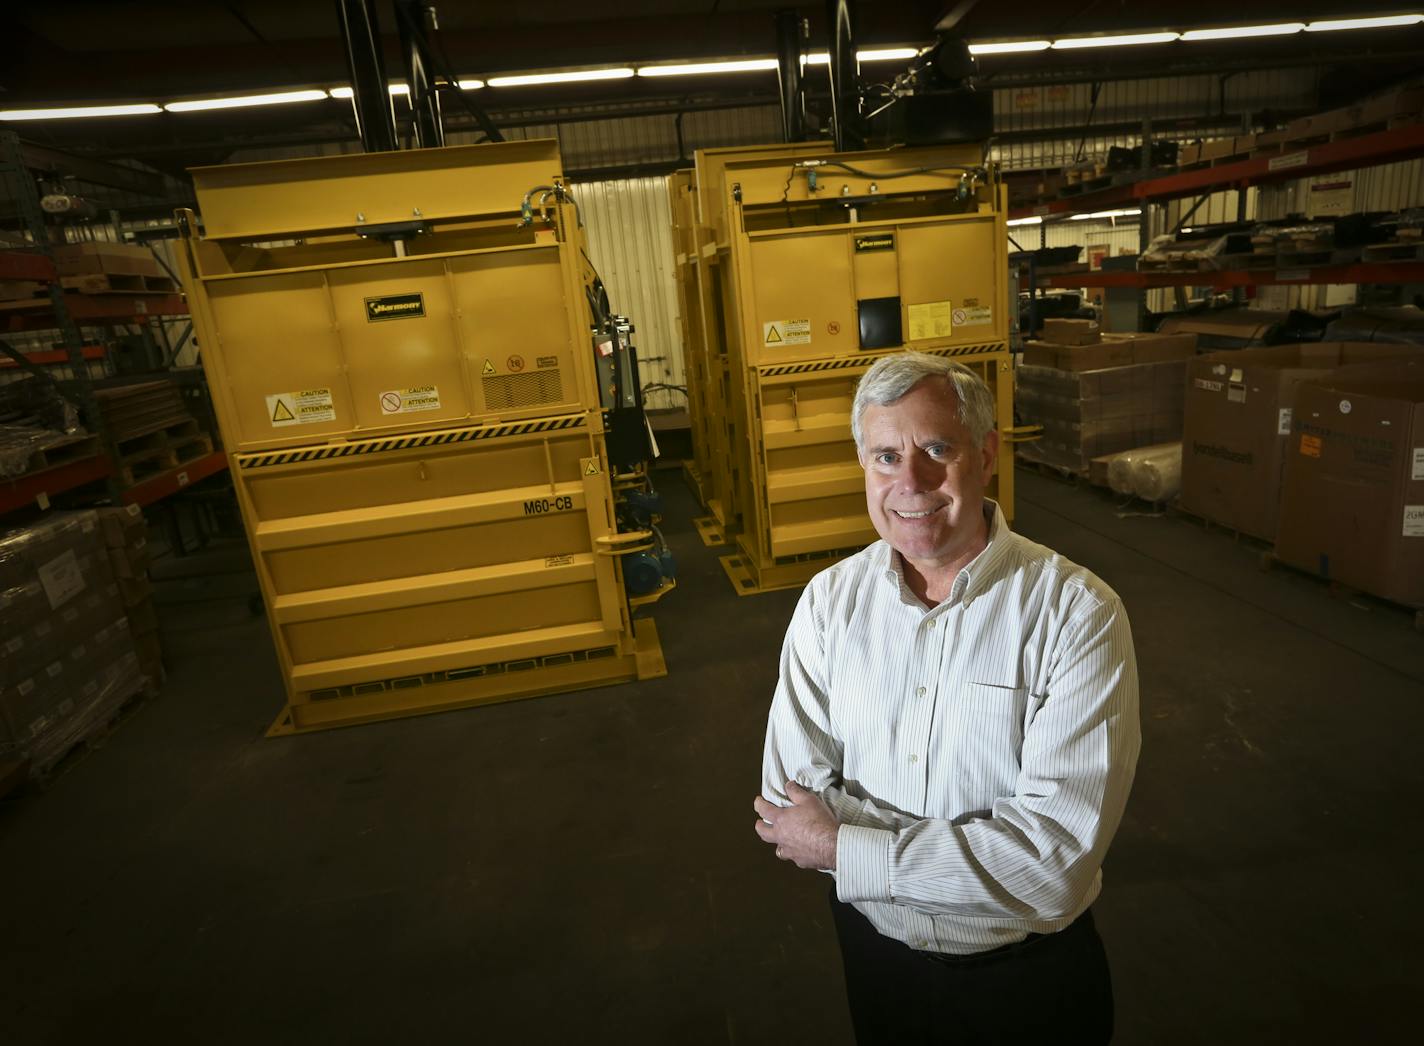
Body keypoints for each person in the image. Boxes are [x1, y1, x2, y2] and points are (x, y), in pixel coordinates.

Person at [753, 352, 1140, 1045]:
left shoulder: (1077, 614)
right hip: (877, 961)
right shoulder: (828, 603)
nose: (911, 482)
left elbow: (1051, 864)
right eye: (885, 456)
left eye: (938, 449)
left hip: (1026, 986)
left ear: (986, 455)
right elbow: (791, 800)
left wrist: (844, 844)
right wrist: (977, 851)